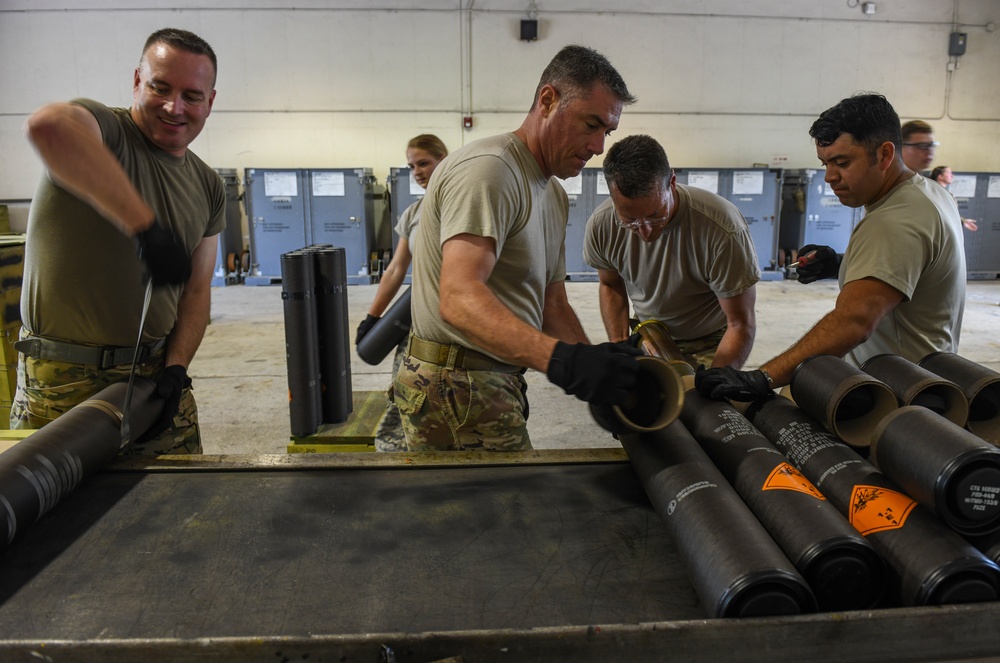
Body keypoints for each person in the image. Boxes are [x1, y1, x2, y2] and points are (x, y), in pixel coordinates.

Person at [393, 44, 642, 451]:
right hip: (456, 385)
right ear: (548, 101)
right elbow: (457, 297)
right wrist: (562, 361)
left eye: (606, 132)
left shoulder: (554, 195)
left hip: (493, 380)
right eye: (590, 124)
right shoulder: (491, 171)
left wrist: (600, 372)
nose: (599, 147)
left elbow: (550, 302)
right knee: (500, 511)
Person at [12, 28, 225, 455]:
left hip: (154, 375)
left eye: (192, 96)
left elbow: (197, 291)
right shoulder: (106, 132)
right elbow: (48, 126)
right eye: (159, 88)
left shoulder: (207, 184)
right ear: (136, 81)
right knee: (56, 515)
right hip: (62, 378)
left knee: (175, 507)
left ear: (210, 101)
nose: (174, 107)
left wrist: (176, 368)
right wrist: (144, 226)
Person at [696, 93, 966, 402]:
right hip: (927, 377)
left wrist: (763, 376)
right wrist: (839, 263)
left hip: (896, 396)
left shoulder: (892, 221)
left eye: (842, 162)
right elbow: (914, 267)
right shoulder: (929, 193)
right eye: (825, 163)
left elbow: (853, 321)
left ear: (885, 154)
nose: (829, 177)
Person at [583, 134, 760, 369]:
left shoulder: (723, 228)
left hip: (710, 341)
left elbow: (741, 323)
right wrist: (620, 345)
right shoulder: (602, 224)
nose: (645, 231)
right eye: (631, 220)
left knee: (706, 403)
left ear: (672, 183)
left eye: (655, 215)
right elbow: (610, 285)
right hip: (649, 335)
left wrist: (718, 378)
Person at [355, 134, 448, 452]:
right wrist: (373, 316)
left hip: (455, 318)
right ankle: (395, 453)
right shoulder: (414, 213)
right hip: (417, 317)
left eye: (424, 163)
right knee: (405, 388)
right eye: (412, 166)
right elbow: (395, 269)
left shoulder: (461, 204)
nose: (418, 171)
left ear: (443, 158)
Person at [931, 165, 977, 231]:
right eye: (949, 173)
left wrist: (963, 221)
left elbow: (949, 213)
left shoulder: (947, 194)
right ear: (941, 176)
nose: (952, 176)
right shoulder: (934, 193)